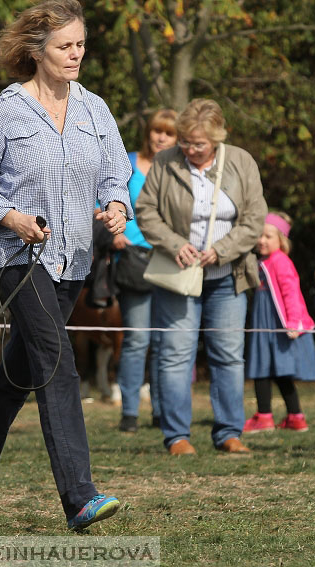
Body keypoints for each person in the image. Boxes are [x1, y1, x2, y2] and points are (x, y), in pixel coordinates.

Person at [0, 0, 131, 531]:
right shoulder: (5, 111)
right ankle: (80, 497)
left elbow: (116, 173)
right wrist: (11, 217)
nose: (76, 55)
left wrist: (116, 206)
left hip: (74, 260)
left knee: (18, 374)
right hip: (20, 259)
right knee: (58, 363)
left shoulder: (95, 109)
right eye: (64, 46)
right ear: (36, 51)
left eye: (80, 45)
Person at [135, 98, 267, 455]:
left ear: (217, 139)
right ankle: (177, 436)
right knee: (176, 355)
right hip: (180, 276)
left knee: (228, 354)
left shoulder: (240, 161)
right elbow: (145, 211)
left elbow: (255, 218)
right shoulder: (165, 162)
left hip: (228, 276)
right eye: (185, 142)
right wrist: (175, 244)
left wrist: (222, 250)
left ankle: (229, 432)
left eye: (199, 144)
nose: (190, 149)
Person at [113, 109, 177, 433]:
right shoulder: (128, 161)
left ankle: (162, 410)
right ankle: (130, 411)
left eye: (168, 133)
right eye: (157, 131)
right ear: (148, 133)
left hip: (169, 259)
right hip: (134, 259)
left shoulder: (180, 167)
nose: (161, 138)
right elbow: (107, 197)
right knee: (137, 339)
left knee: (164, 341)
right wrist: (115, 232)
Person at [244, 212, 315, 433]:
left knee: (266, 368)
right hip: (263, 320)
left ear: (281, 241)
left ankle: (267, 416)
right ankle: (292, 416)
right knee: (271, 369)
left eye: (268, 236)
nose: (262, 240)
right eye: (260, 236)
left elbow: (291, 293)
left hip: (277, 324)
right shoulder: (263, 261)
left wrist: (294, 321)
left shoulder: (280, 262)